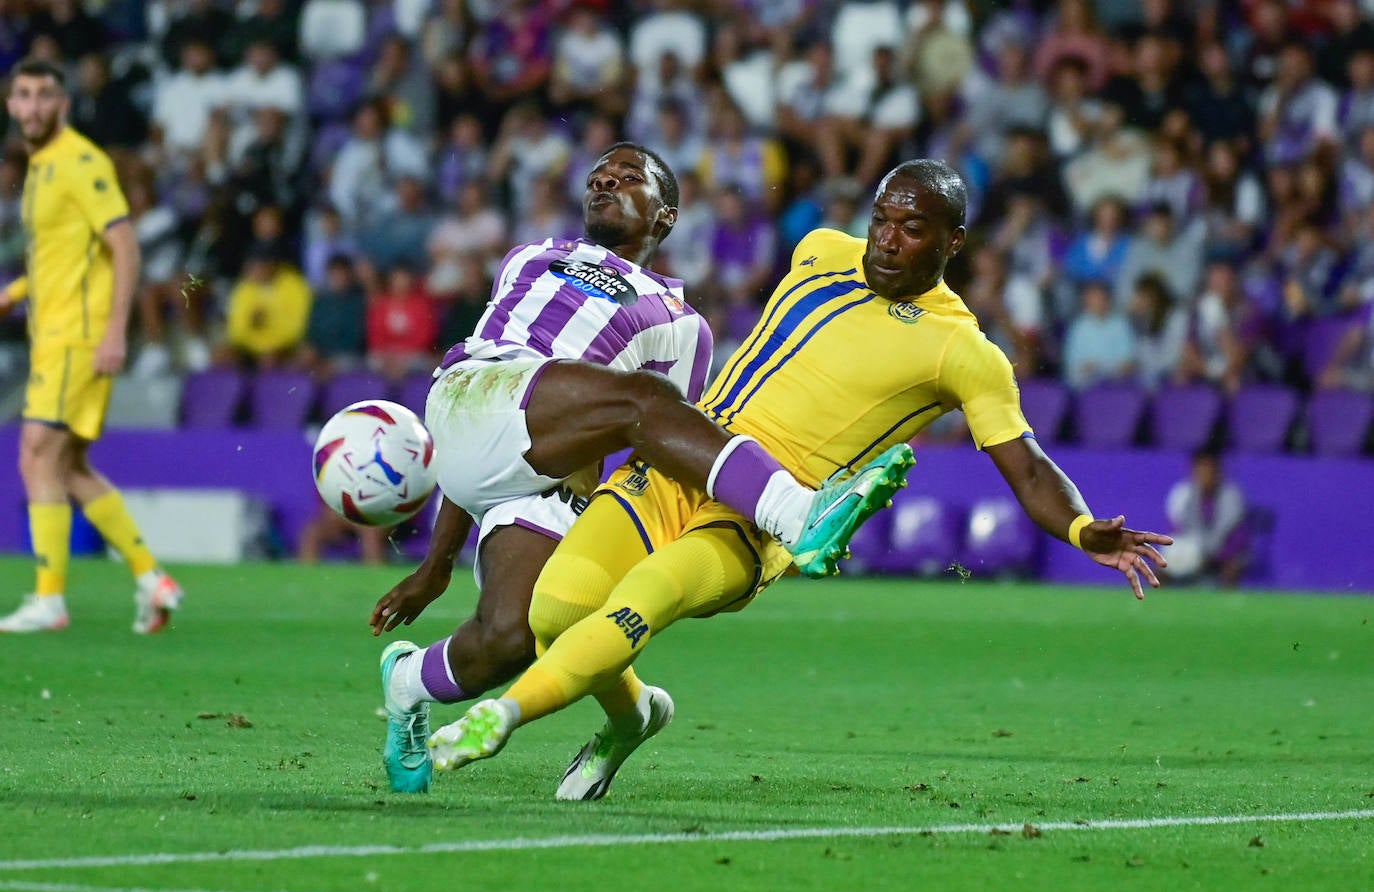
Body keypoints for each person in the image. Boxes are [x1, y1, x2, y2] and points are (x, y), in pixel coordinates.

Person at [422, 160, 1174, 800]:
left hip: (756, 521)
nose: (888, 238)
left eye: (913, 229)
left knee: (640, 604)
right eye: (883, 218)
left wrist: (1081, 527)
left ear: (953, 242)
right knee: (556, 612)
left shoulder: (963, 351)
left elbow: (1027, 462)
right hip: (680, 467)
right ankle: (632, 720)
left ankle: (499, 720)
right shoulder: (818, 249)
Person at [372, 142, 913, 793]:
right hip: (478, 393)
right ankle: (797, 510)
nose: (606, 182)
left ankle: (407, 682)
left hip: (551, 469)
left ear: (665, 217)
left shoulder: (683, 326)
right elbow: (492, 428)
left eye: (629, 178)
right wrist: (436, 564)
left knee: (514, 637)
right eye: (599, 176)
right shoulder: (532, 257)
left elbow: (662, 449)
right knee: (645, 403)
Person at [0, 60, 183, 634]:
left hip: (76, 337)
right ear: (11, 105)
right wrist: (14, 293)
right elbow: (61, 256)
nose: (31, 107)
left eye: (44, 95)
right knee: (70, 464)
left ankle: (49, 598)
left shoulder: (80, 161)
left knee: (35, 453)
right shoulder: (40, 167)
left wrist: (112, 333)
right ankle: (153, 579)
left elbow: (123, 245)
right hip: (54, 332)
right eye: (22, 96)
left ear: (64, 104)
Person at [1164, 448, 1250, 588]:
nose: (1206, 476)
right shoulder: (1181, 495)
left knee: (1233, 567)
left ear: (1218, 472)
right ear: (1193, 472)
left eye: (1210, 471)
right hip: (1191, 552)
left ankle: (1229, 605)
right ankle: (1161, 605)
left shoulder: (1232, 497)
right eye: (1201, 471)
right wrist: (1195, 553)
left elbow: (1238, 537)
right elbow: (1174, 531)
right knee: (1161, 565)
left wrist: (1216, 557)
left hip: (1221, 555)